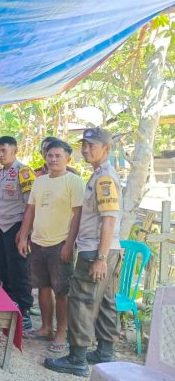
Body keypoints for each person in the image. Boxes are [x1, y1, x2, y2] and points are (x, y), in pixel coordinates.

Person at [45, 128, 122, 377]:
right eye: (84, 145)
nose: (86, 150)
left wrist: (100, 258)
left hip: (96, 250)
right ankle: (105, 352)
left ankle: (77, 358)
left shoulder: (104, 178)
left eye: (92, 146)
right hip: (105, 249)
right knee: (106, 302)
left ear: (106, 149)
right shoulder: (99, 174)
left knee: (81, 302)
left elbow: (108, 219)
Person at [17, 139, 84, 353]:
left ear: (68, 158)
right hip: (38, 242)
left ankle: (61, 332)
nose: (53, 159)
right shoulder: (39, 181)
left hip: (60, 243)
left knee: (61, 290)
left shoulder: (74, 182)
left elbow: (78, 215)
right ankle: (46, 328)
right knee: (43, 288)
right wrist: (23, 237)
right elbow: (30, 210)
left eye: (58, 156)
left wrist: (69, 244)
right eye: (50, 155)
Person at [0, 136, 35, 332]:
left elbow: (30, 205)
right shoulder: (0, 172)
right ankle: (9, 306)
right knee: (3, 269)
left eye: (4, 150)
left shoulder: (23, 171)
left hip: (17, 228)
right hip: (1, 228)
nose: (0, 154)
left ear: (15, 151)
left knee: (19, 271)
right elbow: (0, 202)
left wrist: (24, 234)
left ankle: (25, 313)